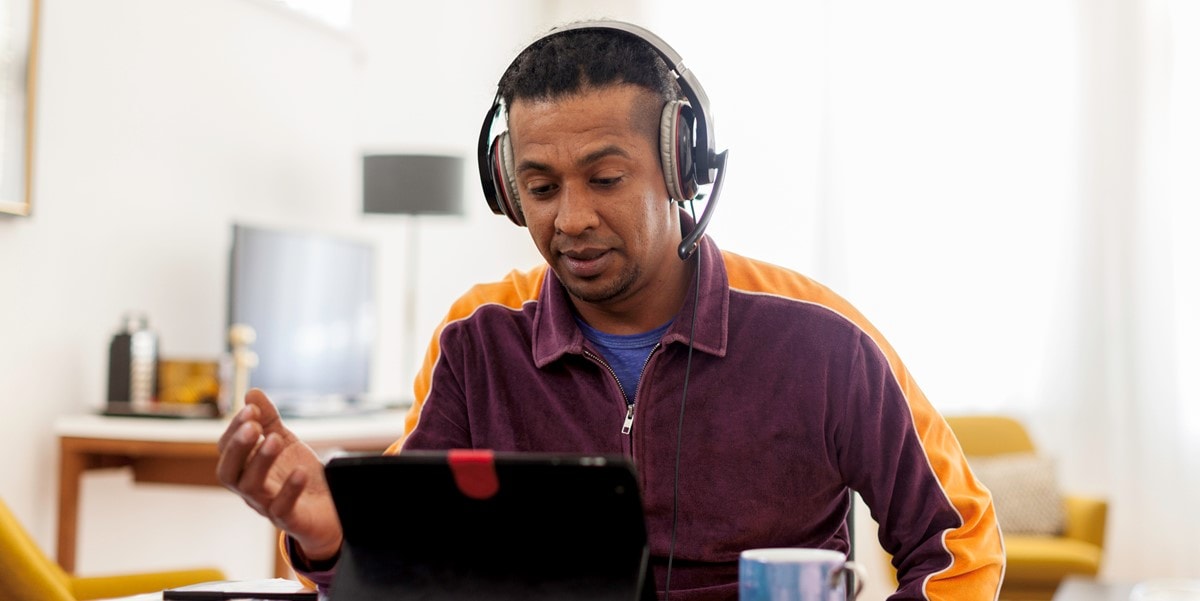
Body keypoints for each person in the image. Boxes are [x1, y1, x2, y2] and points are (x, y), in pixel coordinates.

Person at [216, 21, 1004, 601]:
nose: (570, 219)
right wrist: (328, 529)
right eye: (542, 186)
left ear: (680, 166)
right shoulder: (477, 340)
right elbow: (407, 574)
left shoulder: (823, 339)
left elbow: (960, 547)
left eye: (604, 178)